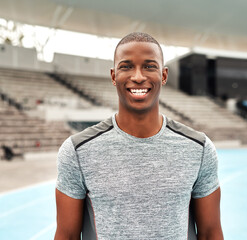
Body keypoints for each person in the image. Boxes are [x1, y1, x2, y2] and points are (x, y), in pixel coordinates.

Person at [55, 32, 223, 240]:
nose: (138, 76)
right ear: (113, 76)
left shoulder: (199, 149)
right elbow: (66, 235)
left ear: (163, 75)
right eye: (126, 66)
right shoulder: (77, 151)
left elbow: (210, 233)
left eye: (149, 66)